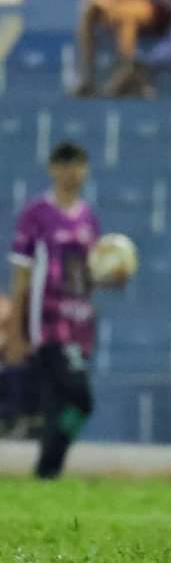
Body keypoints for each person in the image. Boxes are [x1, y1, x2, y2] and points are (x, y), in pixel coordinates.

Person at [5, 143, 119, 479]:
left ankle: (47, 471)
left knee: (61, 403)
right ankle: (48, 465)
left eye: (79, 165)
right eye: (65, 165)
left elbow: (90, 275)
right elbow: (22, 275)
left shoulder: (88, 218)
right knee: (81, 399)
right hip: (49, 325)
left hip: (80, 324)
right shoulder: (36, 214)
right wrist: (15, 332)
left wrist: (112, 277)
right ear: (53, 169)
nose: (72, 172)